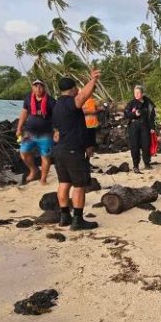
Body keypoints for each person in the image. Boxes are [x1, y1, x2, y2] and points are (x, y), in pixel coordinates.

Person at [52, 71, 101, 230]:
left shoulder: (56, 105)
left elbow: (57, 131)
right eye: (76, 89)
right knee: (79, 185)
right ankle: (78, 221)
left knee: (64, 183)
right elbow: (83, 96)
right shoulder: (69, 102)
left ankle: (64, 217)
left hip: (59, 150)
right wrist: (93, 79)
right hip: (72, 150)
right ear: (73, 89)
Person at [16, 79, 56, 184]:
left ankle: (43, 178)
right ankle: (34, 170)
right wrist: (19, 128)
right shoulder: (28, 99)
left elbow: (57, 117)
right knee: (23, 152)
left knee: (45, 156)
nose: (38, 88)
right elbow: (24, 113)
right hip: (29, 132)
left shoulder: (51, 101)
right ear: (32, 87)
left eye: (41, 86)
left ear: (44, 88)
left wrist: (57, 131)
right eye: (36, 86)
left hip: (46, 134)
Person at [123, 85, 156, 173]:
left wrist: (152, 127)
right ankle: (135, 165)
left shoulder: (148, 103)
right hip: (134, 126)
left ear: (142, 93)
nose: (136, 94)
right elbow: (126, 114)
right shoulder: (131, 103)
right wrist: (134, 114)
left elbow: (152, 116)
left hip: (145, 126)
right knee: (135, 146)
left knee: (146, 145)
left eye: (138, 93)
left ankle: (147, 163)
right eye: (135, 93)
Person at [82, 95, 100, 168]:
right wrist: (92, 111)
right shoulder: (81, 98)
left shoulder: (92, 99)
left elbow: (94, 109)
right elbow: (79, 110)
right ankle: (83, 163)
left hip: (92, 125)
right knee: (85, 145)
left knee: (91, 145)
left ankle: (87, 162)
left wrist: (98, 109)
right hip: (85, 126)